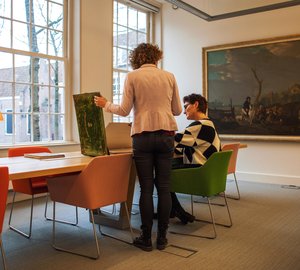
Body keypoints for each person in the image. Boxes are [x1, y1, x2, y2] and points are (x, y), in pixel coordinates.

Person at [94, 43, 182, 252]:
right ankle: (162, 238)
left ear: (136, 59)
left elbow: (124, 110)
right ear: (156, 57)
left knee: (146, 188)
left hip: (142, 137)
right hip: (166, 135)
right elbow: (178, 110)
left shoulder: (132, 77)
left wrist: (105, 104)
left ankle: (145, 237)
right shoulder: (169, 76)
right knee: (164, 187)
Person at [171, 93, 221, 223]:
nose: (183, 112)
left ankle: (176, 210)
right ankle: (172, 209)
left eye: (186, 106)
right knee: (164, 168)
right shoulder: (209, 124)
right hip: (207, 171)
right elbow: (186, 145)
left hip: (198, 172)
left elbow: (172, 140)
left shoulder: (200, 125)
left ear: (196, 105)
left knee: (160, 173)